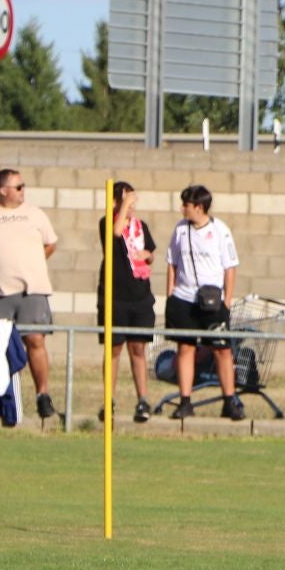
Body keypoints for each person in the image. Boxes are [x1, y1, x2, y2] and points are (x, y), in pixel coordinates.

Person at [0, 168, 60, 421]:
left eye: (23, 186)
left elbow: (50, 244)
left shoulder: (34, 214)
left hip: (32, 291)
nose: (22, 191)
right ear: (3, 190)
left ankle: (42, 395)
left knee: (35, 342)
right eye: (18, 187)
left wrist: (31, 264)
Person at [165, 183, 244, 420]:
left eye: (186, 205)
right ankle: (186, 401)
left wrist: (226, 302)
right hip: (184, 299)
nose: (182, 210)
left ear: (199, 207)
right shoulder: (180, 230)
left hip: (212, 302)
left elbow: (230, 267)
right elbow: (172, 262)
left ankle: (229, 401)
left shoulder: (220, 230)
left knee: (222, 350)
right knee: (185, 349)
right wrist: (170, 293)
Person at [98, 180, 156, 423]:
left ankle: (142, 399)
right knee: (114, 349)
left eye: (133, 203)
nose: (131, 208)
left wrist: (147, 256)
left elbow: (150, 252)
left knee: (138, 348)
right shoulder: (107, 222)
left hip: (139, 296)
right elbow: (114, 232)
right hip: (115, 297)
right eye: (127, 202)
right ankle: (108, 400)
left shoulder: (140, 226)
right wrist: (121, 207)